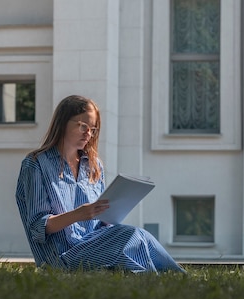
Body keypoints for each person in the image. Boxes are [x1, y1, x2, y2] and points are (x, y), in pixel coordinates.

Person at [15, 95, 185, 273]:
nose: (88, 133)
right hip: (60, 257)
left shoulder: (93, 166)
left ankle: (177, 277)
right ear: (63, 123)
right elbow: (38, 227)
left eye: (93, 129)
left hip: (94, 246)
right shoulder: (36, 164)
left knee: (140, 235)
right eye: (83, 126)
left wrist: (112, 213)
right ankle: (156, 279)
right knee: (132, 236)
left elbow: (101, 224)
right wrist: (80, 214)